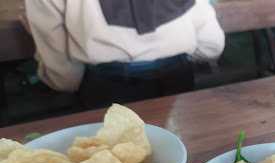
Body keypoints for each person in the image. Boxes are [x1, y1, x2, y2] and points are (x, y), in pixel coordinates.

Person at [22, 0, 225, 109]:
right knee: (183, 154)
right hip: (178, 76)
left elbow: (57, 57)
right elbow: (211, 44)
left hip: (105, 86)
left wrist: (73, 84)